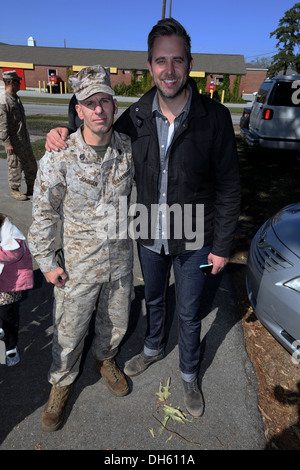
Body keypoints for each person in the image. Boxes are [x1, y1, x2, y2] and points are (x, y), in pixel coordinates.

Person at [45, 18, 241, 418]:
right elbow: (94, 130)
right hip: (148, 231)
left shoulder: (215, 118)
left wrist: (221, 247)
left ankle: (189, 373)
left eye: (177, 60)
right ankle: (152, 347)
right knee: (153, 298)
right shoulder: (134, 117)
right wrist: (61, 132)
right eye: (160, 61)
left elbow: (229, 188)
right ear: (149, 65)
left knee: (189, 313)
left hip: (194, 236)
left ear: (190, 63)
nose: (169, 70)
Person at [28, 65, 134, 432]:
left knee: (116, 323)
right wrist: (45, 261)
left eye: (104, 100)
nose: (99, 109)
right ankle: (60, 384)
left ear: (115, 105)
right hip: (77, 265)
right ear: (78, 110)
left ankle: (105, 360)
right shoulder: (60, 155)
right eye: (90, 103)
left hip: (119, 262)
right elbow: (43, 211)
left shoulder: (127, 148)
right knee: (69, 333)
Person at [0, 213, 34, 366]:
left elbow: (13, 253)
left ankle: (10, 345)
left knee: (8, 316)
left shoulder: (10, 231)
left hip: (6, 286)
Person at [0, 70, 38, 201]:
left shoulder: (15, 98)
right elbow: (2, 125)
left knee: (31, 164)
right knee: (15, 166)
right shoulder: (4, 100)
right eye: (18, 81)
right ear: (11, 82)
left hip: (23, 139)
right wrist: (7, 143)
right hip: (14, 141)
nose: (20, 83)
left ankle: (32, 187)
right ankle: (14, 189)